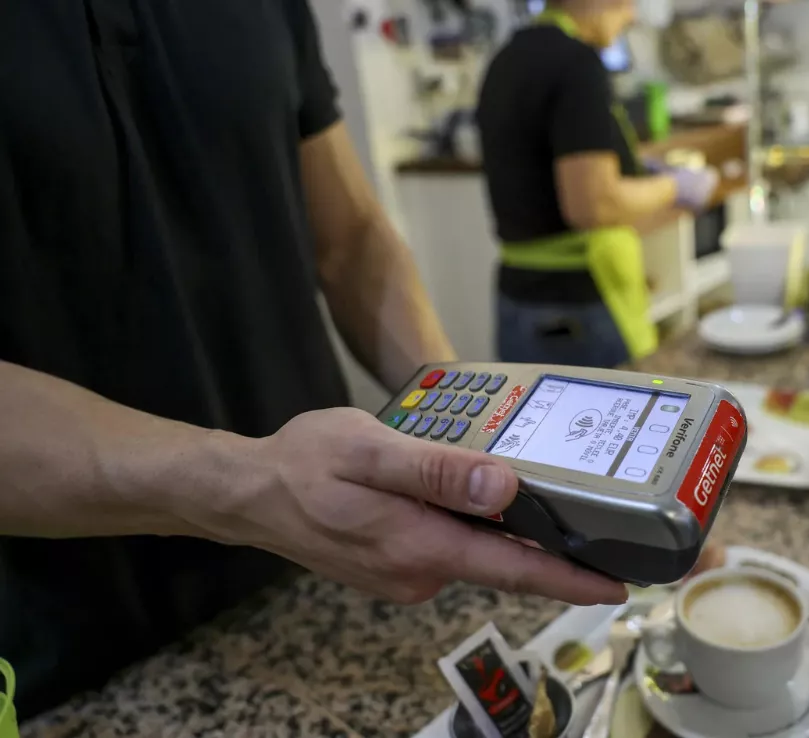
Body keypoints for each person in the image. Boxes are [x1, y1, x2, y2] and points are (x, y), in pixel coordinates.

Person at [0, 0, 629, 716]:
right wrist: (247, 483)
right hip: (83, 641)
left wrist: (474, 420)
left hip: (333, 557)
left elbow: (351, 238)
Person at [476, 0, 719, 368]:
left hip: (518, 300)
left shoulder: (505, 60)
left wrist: (635, 170)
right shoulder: (577, 64)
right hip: (578, 310)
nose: (632, 15)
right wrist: (675, 187)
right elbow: (594, 204)